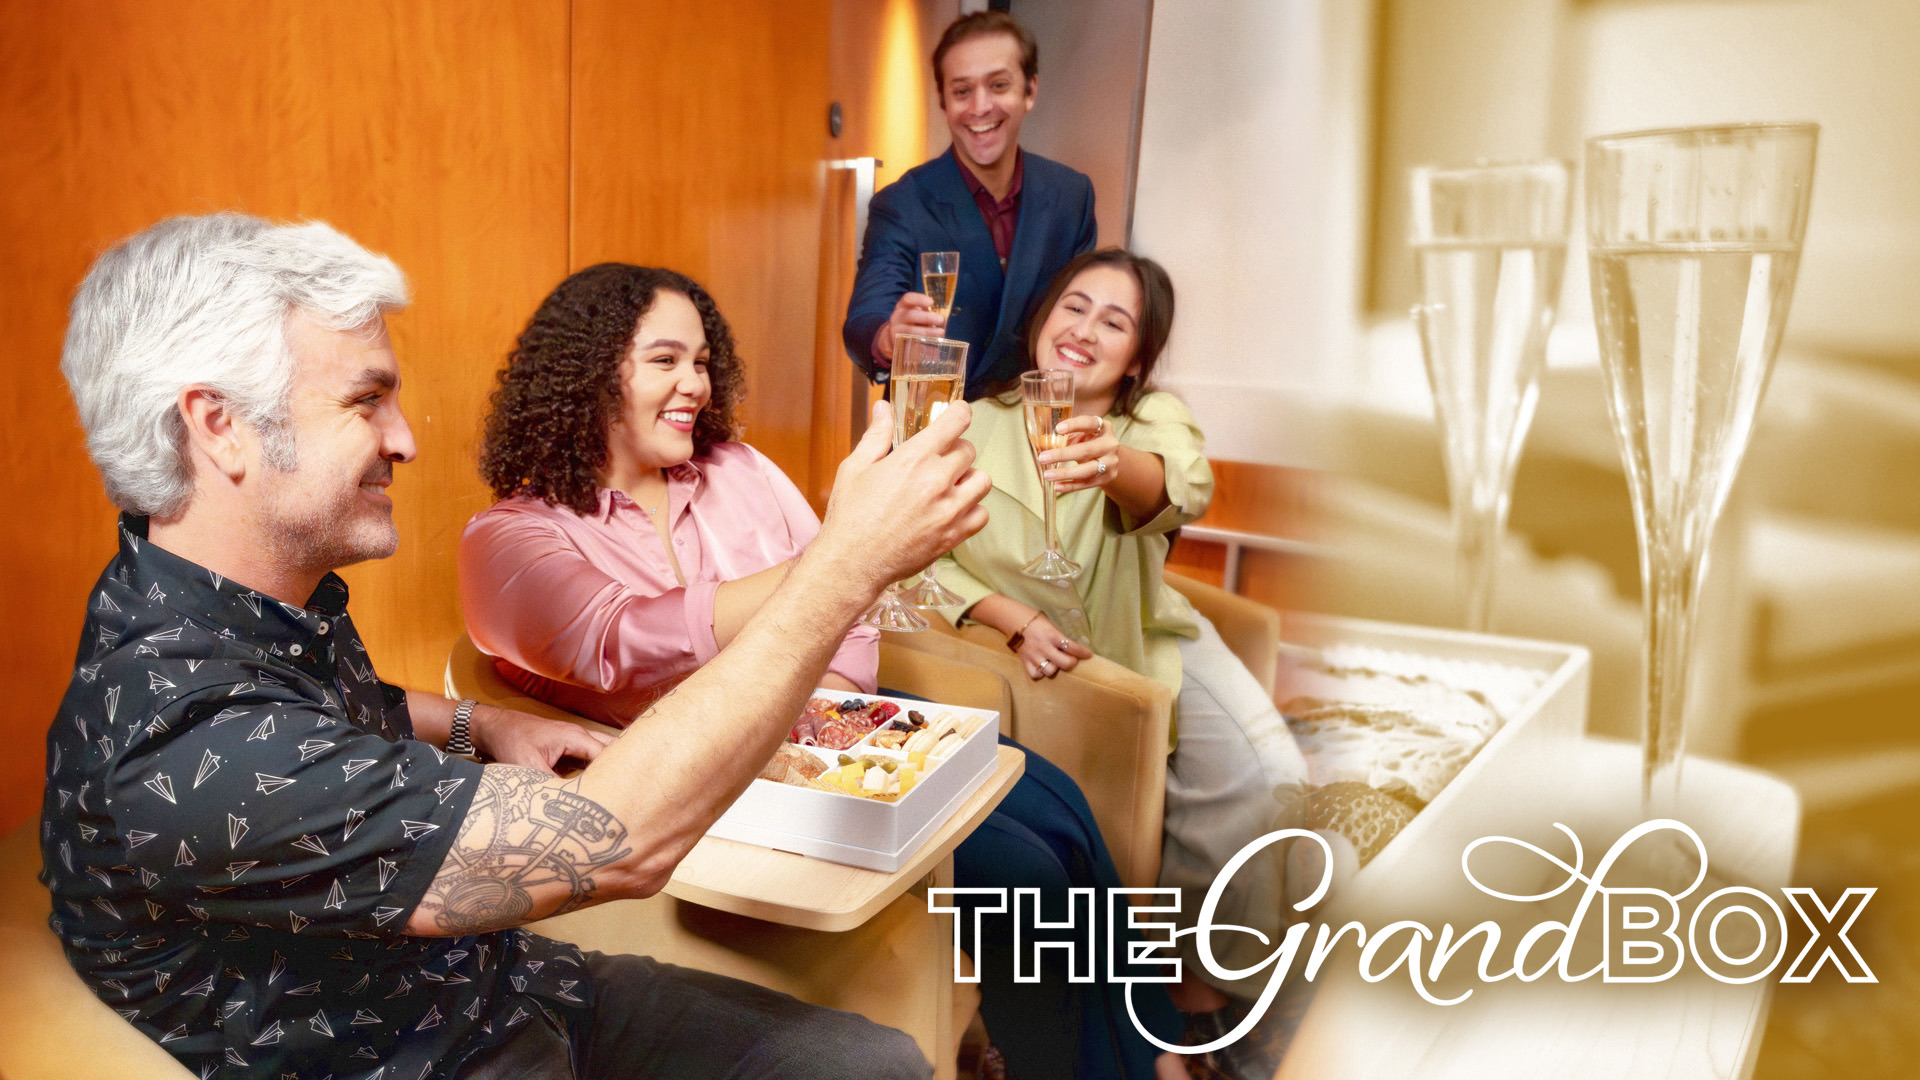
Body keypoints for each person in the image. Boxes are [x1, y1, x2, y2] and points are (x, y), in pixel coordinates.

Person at [43, 213, 986, 1080]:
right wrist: (845, 565)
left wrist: (480, 721)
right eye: (366, 401)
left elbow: (343, 714)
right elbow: (618, 844)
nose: (405, 439)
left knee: (871, 1064)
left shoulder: (219, 608)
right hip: (425, 1050)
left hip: (499, 986)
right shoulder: (186, 735)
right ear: (221, 428)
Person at [459, 263, 1187, 1080]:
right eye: (665, 361)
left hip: (835, 725)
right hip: (717, 772)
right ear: (588, 372)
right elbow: (623, 637)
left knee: (1062, 811)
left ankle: (1153, 1052)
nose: (694, 384)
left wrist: (834, 697)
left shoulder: (737, 470)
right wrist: (849, 557)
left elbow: (854, 614)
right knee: (1029, 879)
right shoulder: (508, 539)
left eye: (702, 361)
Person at [931, 248, 1314, 1080]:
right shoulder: (968, 421)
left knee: (1266, 779)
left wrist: (1113, 464)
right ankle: (1115, 1014)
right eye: (1074, 306)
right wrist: (1012, 616)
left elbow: (1182, 487)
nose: (1085, 330)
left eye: (1116, 322)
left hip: (1142, 635)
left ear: (1136, 358)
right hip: (1023, 659)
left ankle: (1197, 986)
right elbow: (926, 556)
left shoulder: (1149, 423)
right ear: (1040, 320)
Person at [841, 10, 1096, 399]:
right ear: (943, 101)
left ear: (1029, 90)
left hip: (1034, 428)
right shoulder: (902, 203)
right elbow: (863, 320)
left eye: (998, 85)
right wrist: (890, 335)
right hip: (932, 429)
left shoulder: (1071, 195)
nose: (980, 107)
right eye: (962, 91)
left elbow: (1082, 316)